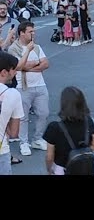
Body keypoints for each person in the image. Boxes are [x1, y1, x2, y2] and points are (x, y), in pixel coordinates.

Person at [8, 21, 50, 157]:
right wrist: (31, 60)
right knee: (23, 117)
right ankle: (23, 142)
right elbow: (18, 67)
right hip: (23, 86)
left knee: (44, 113)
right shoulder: (14, 49)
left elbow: (45, 63)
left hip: (40, 85)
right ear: (22, 33)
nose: (33, 34)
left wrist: (32, 65)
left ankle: (37, 139)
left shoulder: (36, 47)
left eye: (34, 31)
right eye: (30, 31)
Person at [42, 86, 94, 175]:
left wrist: (49, 170)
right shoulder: (88, 121)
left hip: (62, 169)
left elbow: (50, 157)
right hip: (84, 168)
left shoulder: (54, 127)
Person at [0, 52, 26, 175]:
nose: (15, 73)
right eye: (13, 70)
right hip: (1, 150)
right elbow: (14, 132)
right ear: (4, 72)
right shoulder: (13, 94)